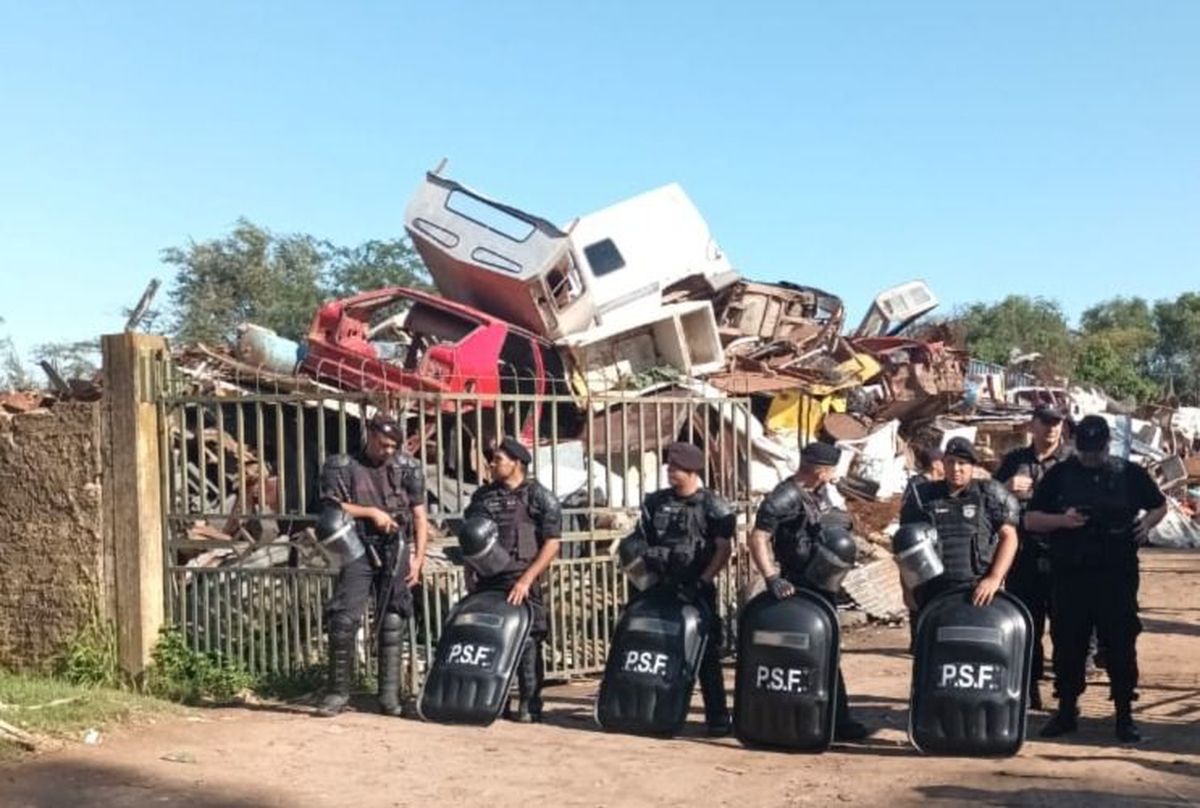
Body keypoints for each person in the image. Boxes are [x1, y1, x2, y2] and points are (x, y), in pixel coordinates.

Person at [1025, 415, 1167, 743]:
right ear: (1075, 446)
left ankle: (1124, 715)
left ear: (1107, 445)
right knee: (1068, 643)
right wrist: (1063, 520)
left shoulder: (1129, 474)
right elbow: (1031, 520)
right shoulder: (1060, 475)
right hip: (1070, 575)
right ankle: (1066, 710)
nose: (1091, 458)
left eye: (1096, 451)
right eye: (1084, 451)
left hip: (1116, 575)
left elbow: (1159, 506)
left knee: (1120, 643)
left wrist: (1147, 525)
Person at [748, 441, 870, 741]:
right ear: (820, 470)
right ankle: (817, 719)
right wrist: (772, 577)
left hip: (819, 582)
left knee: (828, 650)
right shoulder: (784, 496)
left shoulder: (814, 493)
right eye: (830, 470)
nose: (832, 475)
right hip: (797, 585)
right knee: (807, 651)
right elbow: (758, 537)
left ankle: (835, 718)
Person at [315, 414, 428, 717]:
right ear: (370, 435)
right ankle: (337, 693)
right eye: (383, 444)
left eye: (394, 446)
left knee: (393, 620)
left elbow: (419, 517)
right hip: (356, 545)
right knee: (344, 620)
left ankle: (389, 697)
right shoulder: (341, 465)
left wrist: (418, 559)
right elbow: (330, 505)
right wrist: (370, 512)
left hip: (396, 547)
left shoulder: (408, 467)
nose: (388, 451)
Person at [628, 441, 735, 736]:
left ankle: (717, 717)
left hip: (695, 587)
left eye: (675, 468)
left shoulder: (713, 505)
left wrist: (702, 582)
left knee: (706, 654)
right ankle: (653, 710)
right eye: (669, 467)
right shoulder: (655, 502)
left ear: (691, 470)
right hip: (659, 585)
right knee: (655, 648)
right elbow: (640, 540)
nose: (669, 472)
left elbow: (723, 549)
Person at [463, 436, 562, 722]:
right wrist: (469, 571)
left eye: (498, 460)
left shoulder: (540, 496)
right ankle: (497, 701)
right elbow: (471, 538)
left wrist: (526, 580)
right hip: (488, 579)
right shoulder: (483, 496)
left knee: (529, 641)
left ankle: (530, 704)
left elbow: (552, 543)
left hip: (522, 577)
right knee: (492, 640)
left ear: (517, 463)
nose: (492, 464)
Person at [992, 403, 1072, 709]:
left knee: (1066, 628)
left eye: (1057, 422)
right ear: (1033, 425)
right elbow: (990, 498)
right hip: (1023, 555)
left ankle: (1066, 694)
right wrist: (1006, 487)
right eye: (1046, 421)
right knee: (1027, 625)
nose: (1051, 428)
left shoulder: (1071, 461)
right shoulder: (1015, 461)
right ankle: (1028, 687)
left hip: (1064, 555)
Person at [899, 437, 1020, 610]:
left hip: (978, 590)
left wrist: (995, 578)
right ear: (943, 464)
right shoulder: (922, 497)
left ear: (972, 466)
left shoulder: (990, 493)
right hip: (931, 592)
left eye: (962, 463)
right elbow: (906, 546)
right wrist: (907, 590)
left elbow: (1009, 537)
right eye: (951, 462)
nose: (956, 468)